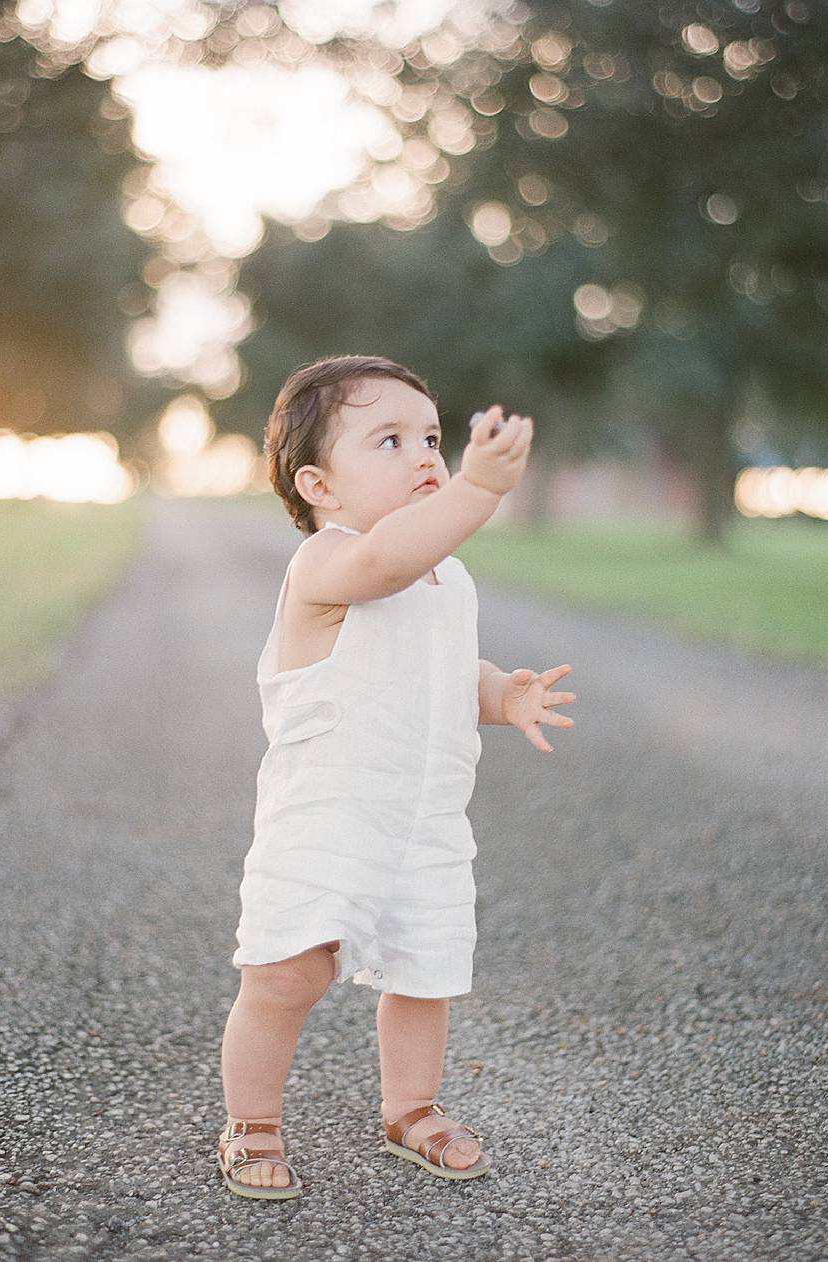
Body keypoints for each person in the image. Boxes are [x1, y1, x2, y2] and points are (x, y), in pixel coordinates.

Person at [215, 354, 578, 1200]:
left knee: (428, 969)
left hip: (427, 819)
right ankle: (253, 1121)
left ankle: (411, 1107)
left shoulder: (446, 578)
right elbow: (389, 565)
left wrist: (500, 693)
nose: (425, 456)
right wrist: (478, 493)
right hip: (327, 817)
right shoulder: (329, 562)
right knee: (287, 973)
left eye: (432, 438)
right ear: (319, 486)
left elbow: (448, 665)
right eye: (390, 440)